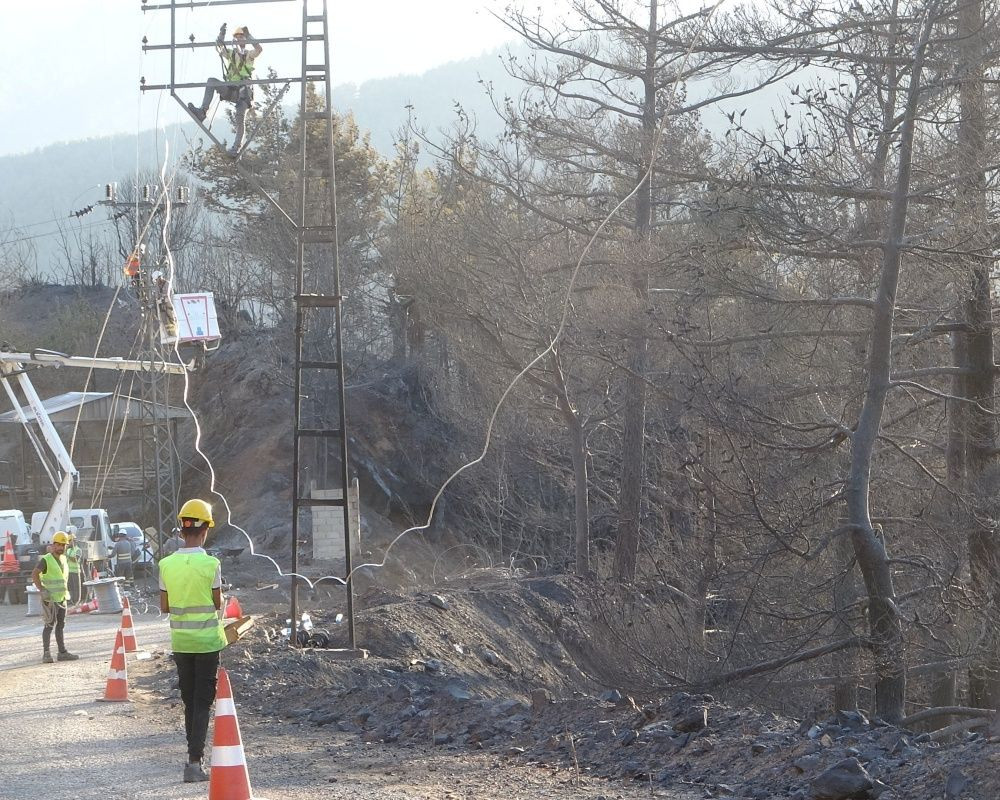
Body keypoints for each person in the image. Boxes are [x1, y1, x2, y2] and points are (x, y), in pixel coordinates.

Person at [159, 499, 228, 783]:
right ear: (206, 530)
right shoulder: (211, 564)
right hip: (207, 643)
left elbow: (164, 606)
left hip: (181, 643)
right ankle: (194, 762)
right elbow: (216, 602)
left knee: (190, 702)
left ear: (182, 528)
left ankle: (192, 758)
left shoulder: (166, 564)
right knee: (202, 703)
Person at [187, 24, 263, 156]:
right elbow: (219, 47)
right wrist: (221, 35)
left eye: (241, 37)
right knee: (211, 82)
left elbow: (259, 49)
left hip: (244, 92)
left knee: (240, 116)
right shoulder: (231, 54)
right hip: (231, 89)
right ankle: (203, 111)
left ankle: (236, 148)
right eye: (237, 37)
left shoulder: (249, 55)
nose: (239, 39)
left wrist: (249, 35)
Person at [30, 531, 80, 663]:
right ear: (53, 545)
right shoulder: (46, 559)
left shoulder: (63, 559)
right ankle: (46, 654)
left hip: (61, 597)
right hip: (50, 599)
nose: (62, 548)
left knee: (60, 625)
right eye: (59, 545)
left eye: (64, 545)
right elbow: (34, 574)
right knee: (49, 625)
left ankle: (62, 652)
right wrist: (41, 590)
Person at [65, 532, 82, 606]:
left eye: (69, 541)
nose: (68, 543)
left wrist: (67, 555)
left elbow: (75, 559)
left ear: (73, 541)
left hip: (75, 571)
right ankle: (70, 600)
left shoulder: (78, 550)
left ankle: (77, 600)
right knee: (70, 587)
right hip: (69, 571)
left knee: (76, 587)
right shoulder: (68, 550)